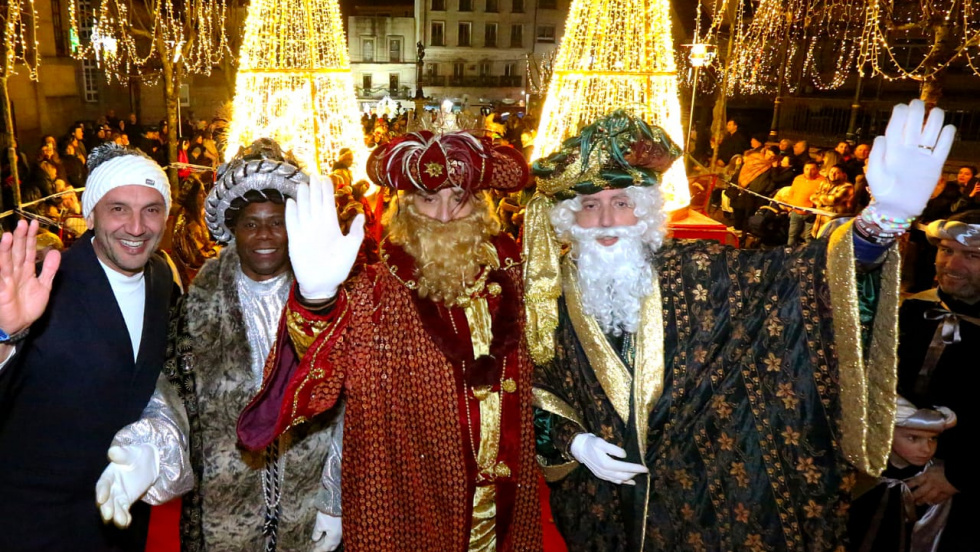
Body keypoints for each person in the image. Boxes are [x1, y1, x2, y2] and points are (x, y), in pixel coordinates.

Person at [522, 101, 955, 551]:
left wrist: (882, 221)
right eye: (589, 205)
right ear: (568, 218)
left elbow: (804, 281)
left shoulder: (701, 272)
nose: (606, 220)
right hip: (598, 501)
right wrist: (571, 443)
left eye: (621, 202)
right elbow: (530, 385)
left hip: (702, 492)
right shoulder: (541, 298)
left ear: (646, 210)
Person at [236, 130, 543, 551]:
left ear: (480, 204)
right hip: (412, 501)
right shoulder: (376, 291)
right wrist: (317, 298)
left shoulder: (511, 279)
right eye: (428, 198)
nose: (444, 214)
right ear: (404, 206)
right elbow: (325, 376)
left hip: (504, 493)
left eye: (460, 197)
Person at [95, 139, 345, 552]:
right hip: (223, 521)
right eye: (250, 223)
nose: (264, 234)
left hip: (309, 511)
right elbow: (170, 403)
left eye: (277, 222)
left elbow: (348, 409)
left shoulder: (324, 302)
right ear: (233, 231)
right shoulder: (194, 312)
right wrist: (146, 450)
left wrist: (333, 501)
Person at [0, 143, 179, 551]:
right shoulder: (43, 284)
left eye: (151, 209)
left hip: (121, 518)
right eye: (118, 208)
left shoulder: (161, 280)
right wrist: (3, 332)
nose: (136, 227)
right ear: (90, 214)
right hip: (33, 523)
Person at [896, 210, 980, 551]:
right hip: (898, 477)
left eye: (972, 256)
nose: (951, 265)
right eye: (946, 250)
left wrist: (959, 474)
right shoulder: (913, 310)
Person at [847, 397, 957, 552]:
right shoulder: (866, 471)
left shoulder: (932, 481)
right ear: (888, 434)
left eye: (933, 439)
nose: (927, 449)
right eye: (913, 438)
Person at [782, 159, 827, 245]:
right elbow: (791, 193)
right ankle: (789, 254)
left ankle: (808, 256)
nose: (809, 172)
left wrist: (814, 210)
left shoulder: (823, 181)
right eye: (807, 169)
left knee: (809, 237)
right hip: (796, 212)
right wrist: (789, 208)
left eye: (812, 169)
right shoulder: (798, 178)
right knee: (792, 235)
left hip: (811, 214)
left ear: (817, 170)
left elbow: (822, 198)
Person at [810, 163, 855, 238]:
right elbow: (812, 197)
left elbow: (834, 200)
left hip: (833, 224)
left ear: (843, 174)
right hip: (819, 223)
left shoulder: (847, 186)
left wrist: (820, 199)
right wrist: (824, 201)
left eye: (836, 172)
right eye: (831, 172)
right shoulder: (824, 184)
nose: (833, 174)